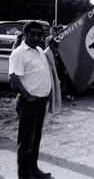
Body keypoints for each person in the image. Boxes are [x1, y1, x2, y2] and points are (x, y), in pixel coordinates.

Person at [9, 21, 61, 179]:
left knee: (35, 138)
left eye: (39, 35)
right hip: (29, 103)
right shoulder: (19, 53)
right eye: (33, 34)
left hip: (40, 102)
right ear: (25, 35)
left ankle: (33, 170)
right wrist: (28, 96)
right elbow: (13, 78)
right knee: (26, 141)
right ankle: (25, 175)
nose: (36, 37)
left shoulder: (38, 50)